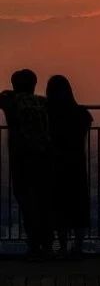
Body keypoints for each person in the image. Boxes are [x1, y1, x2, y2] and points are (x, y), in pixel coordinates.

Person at [0, 69, 54, 258]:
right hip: (45, 157)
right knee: (43, 202)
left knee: (26, 203)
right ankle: (47, 245)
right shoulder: (42, 102)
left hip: (22, 158)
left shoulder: (11, 102)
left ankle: (34, 246)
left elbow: (3, 96)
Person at [46, 75, 92, 256]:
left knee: (59, 205)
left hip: (56, 164)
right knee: (79, 204)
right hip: (77, 164)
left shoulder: (47, 113)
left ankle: (63, 247)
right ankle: (78, 247)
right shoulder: (81, 113)